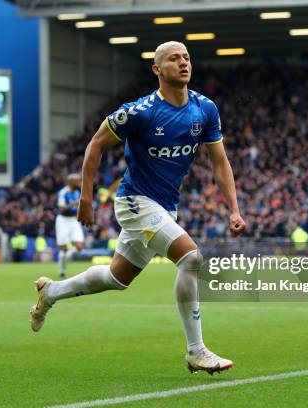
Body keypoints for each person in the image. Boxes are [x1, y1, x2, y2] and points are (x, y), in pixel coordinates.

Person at [30, 41, 246, 374]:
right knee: (191, 257)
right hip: (134, 202)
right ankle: (196, 350)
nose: (183, 63)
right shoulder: (139, 111)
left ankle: (52, 291)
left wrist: (233, 209)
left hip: (164, 207)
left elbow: (220, 162)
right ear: (157, 70)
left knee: (117, 278)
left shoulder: (205, 109)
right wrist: (86, 199)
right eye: (174, 59)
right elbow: (95, 144)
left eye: (186, 57)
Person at [55, 174, 84, 277]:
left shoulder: (77, 192)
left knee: (79, 246)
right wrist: (73, 203)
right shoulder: (63, 192)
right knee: (63, 248)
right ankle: (61, 270)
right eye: (77, 181)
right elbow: (62, 208)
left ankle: (65, 258)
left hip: (73, 220)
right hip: (63, 220)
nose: (79, 182)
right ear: (71, 182)